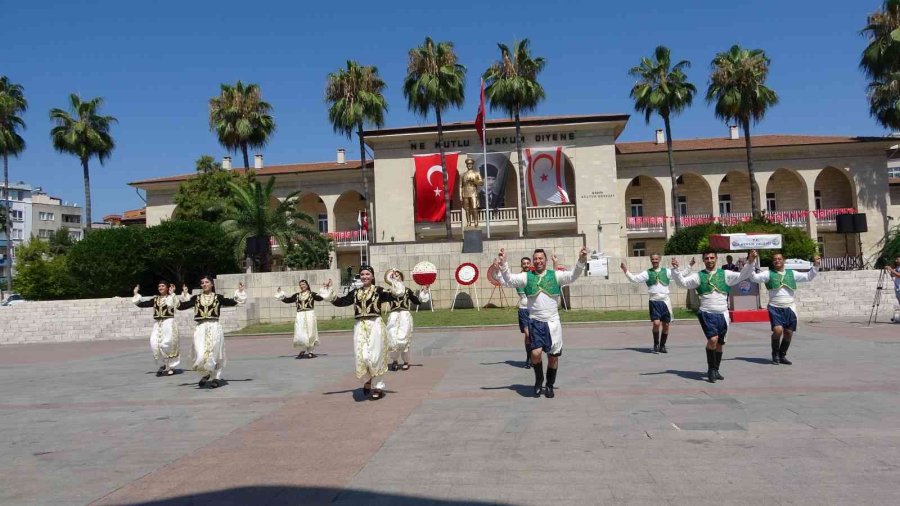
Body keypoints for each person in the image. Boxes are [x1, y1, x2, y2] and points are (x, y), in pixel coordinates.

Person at [496, 246, 588, 398]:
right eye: (535, 259)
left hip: (553, 322)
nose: (538, 261)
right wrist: (504, 263)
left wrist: (581, 260)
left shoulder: (555, 275)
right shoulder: (527, 277)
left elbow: (573, 276)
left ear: (545, 260)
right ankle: (539, 380)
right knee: (535, 353)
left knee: (553, 357)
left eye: (541, 258)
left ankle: (549, 385)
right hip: (535, 321)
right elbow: (510, 279)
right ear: (533, 261)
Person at [672, 250, 756, 383]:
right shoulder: (698, 276)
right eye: (707, 258)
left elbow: (742, 276)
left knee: (720, 343)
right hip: (706, 312)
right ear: (703, 260)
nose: (709, 260)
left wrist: (750, 261)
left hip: (723, 313)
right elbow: (682, 283)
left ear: (716, 259)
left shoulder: (726, 274)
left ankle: (716, 369)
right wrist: (676, 270)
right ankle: (711, 369)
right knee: (713, 339)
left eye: (712, 257)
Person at [329, 265, 402, 400]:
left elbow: (394, 295)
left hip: (375, 325)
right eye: (362, 274)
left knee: (375, 357)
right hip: (360, 327)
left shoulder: (379, 291)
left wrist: (395, 281)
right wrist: (329, 291)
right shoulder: (355, 292)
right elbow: (341, 302)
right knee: (362, 357)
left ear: (372, 276)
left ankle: (378, 387)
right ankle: (368, 380)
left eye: (367, 274)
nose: (365, 277)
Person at [748, 252, 820, 364]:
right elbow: (753, 278)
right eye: (775, 259)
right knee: (778, 330)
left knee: (789, 333)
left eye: (779, 259)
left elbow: (808, 276)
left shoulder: (792, 273)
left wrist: (816, 265)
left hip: (790, 307)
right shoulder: (768, 274)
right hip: (775, 306)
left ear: (784, 260)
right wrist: (751, 262)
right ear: (773, 262)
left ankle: (782, 355)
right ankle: (775, 354)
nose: (777, 261)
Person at [177, 277, 247, 388]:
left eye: (206, 282)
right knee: (200, 353)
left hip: (214, 327)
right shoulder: (196, 298)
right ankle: (207, 373)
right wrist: (173, 297)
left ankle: (216, 378)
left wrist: (240, 292)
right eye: (202, 282)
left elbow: (232, 302)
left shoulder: (218, 297)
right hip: (200, 328)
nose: (204, 284)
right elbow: (182, 306)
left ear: (211, 285)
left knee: (215, 353)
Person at [621, 254, 675, 353]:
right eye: (653, 259)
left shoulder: (667, 271)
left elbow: (679, 275)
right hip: (654, 301)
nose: (654, 261)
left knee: (666, 325)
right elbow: (634, 279)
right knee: (656, 323)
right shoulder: (647, 273)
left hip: (665, 301)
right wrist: (625, 270)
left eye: (656, 259)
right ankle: (656, 343)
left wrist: (689, 266)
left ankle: (662, 345)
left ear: (660, 259)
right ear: (651, 260)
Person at [275, 279, 334, 359]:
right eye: (301, 285)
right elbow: (288, 300)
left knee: (310, 333)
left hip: (310, 314)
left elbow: (320, 298)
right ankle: (303, 349)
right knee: (300, 333)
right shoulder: (297, 295)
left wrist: (325, 288)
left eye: (303, 284)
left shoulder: (312, 294)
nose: (302, 286)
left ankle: (310, 352)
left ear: (307, 285)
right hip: (300, 315)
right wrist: (280, 294)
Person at [133, 281, 180, 376]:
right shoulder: (155, 299)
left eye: (163, 286)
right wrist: (135, 294)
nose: (160, 287)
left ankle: (171, 367)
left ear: (167, 288)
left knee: (167, 344)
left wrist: (172, 294)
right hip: (158, 324)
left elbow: (177, 305)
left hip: (168, 323)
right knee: (154, 343)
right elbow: (142, 304)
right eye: (159, 286)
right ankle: (164, 364)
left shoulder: (171, 298)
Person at [385, 269, 429, 371]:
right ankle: (395, 361)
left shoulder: (407, 290)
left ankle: (406, 361)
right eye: (393, 275)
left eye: (397, 275)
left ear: (401, 277)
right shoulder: (388, 291)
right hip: (393, 316)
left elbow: (417, 301)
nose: (395, 276)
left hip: (404, 316)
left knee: (404, 339)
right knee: (392, 338)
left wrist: (424, 291)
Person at [515, 256, 533, 369]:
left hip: (534, 309)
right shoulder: (518, 278)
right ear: (521, 265)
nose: (526, 265)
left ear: (530, 264)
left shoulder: (534, 277)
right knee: (528, 334)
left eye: (527, 263)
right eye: (524, 263)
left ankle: (532, 356)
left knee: (532, 336)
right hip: (523, 309)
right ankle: (529, 357)